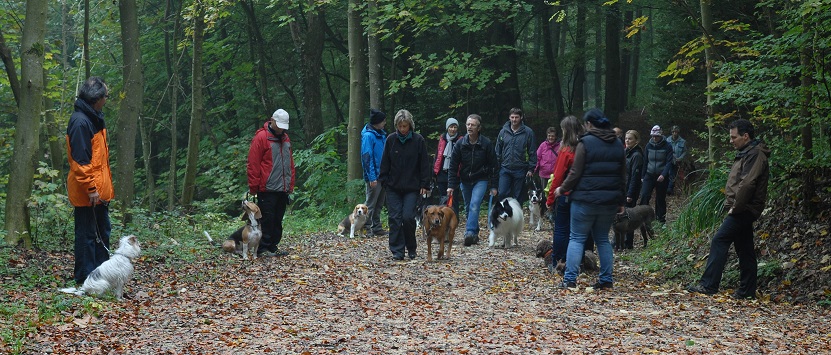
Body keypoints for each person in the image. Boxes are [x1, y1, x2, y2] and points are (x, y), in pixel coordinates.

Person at [688, 119, 769, 299]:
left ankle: (709, 285)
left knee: (719, 240)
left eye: (734, 137)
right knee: (744, 248)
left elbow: (747, 184)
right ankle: (747, 292)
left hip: (744, 208)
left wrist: (735, 207)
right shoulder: (747, 152)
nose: (731, 140)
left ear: (745, 136)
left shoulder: (755, 154)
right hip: (743, 207)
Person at [553, 108, 625, 290]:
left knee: (576, 238)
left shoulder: (585, 143)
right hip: (609, 202)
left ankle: (570, 280)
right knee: (602, 239)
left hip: (585, 200)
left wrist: (562, 189)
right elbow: (622, 175)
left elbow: (575, 172)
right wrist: (621, 201)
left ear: (589, 124)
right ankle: (606, 280)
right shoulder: (617, 144)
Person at [67, 76, 114, 285]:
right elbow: (81, 162)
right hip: (88, 193)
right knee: (87, 237)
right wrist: (93, 189)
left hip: (99, 192)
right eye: (106, 96)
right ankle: (85, 279)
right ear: (97, 98)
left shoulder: (94, 117)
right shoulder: (80, 122)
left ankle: (101, 277)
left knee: (102, 233)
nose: (107, 99)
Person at [379, 109, 431, 260]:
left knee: (408, 218)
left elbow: (424, 164)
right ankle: (397, 250)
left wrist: (424, 184)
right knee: (395, 218)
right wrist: (384, 181)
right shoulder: (390, 140)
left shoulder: (418, 140)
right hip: (393, 186)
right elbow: (385, 163)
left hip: (412, 187)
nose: (403, 129)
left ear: (410, 125)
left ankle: (411, 247)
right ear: (396, 126)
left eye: (405, 126)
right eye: (400, 126)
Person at [248, 108, 296, 257]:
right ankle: (263, 248)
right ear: (272, 121)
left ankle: (273, 246)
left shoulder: (285, 139)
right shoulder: (261, 138)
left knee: (278, 219)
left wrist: (290, 184)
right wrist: (253, 186)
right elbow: (253, 163)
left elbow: (290, 163)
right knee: (267, 219)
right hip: (267, 188)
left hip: (282, 187)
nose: (282, 129)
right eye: (279, 125)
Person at [447, 114, 499, 247]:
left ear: (479, 127)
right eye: (468, 124)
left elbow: (494, 166)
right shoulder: (460, 143)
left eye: (473, 125)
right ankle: (474, 233)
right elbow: (453, 166)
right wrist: (451, 185)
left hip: (480, 179)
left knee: (474, 205)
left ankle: (469, 233)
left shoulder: (486, 143)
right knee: (468, 206)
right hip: (465, 180)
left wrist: (494, 186)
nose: (470, 127)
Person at [545, 116, 588, 272]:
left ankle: (559, 261)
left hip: (566, 195)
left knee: (562, 230)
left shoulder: (566, 151)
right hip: (584, 196)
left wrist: (550, 200)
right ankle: (579, 263)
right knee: (578, 232)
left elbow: (556, 178)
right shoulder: (586, 148)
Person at [495, 107, 536, 201]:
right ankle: (505, 213)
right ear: (509, 117)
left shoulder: (528, 132)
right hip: (505, 168)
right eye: (512, 117)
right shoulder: (503, 132)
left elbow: (532, 151)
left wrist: (531, 168)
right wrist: (496, 166)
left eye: (516, 117)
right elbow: (498, 150)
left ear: (521, 117)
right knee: (502, 193)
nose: (514, 120)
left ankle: (517, 215)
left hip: (521, 168)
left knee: (518, 196)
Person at [361, 108, 389, 236]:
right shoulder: (368, 136)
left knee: (379, 203)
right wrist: (372, 178)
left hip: (383, 175)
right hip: (374, 177)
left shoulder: (381, 134)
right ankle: (366, 227)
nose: (385, 123)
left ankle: (376, 226)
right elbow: (367, 158)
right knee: (370, 204)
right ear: (377, 122)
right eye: (383, 121)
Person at [639, 125, 673, 223]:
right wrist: (643, 175)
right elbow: (645, 161)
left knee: (660, 198)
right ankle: (643, 217)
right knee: (645, 195)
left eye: (656, 136)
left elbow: (669, 162)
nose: (654, 138)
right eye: (653, 136)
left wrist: (663, 174)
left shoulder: (667, 145)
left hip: (661, 175)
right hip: (649, 174)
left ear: (661, 136)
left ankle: (661, 219)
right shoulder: (648, 145)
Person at [433, 117, 462, 215]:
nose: (453, 129)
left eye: (455, 127)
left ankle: (454, 218)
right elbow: (438, 156)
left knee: (453, 198)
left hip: (455, 174)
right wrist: (435, 172)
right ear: (447, 128)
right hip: (442, 172)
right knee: (443, 197)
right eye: (451, 127)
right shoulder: (442, 139)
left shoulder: (460, 140)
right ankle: (442, 218)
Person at [622, 130, 644, 249]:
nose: (627, 141)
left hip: (630, 190)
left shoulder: (637, 155)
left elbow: (635, 177)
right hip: (623, 188)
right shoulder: (626, 153)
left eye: (630, 139)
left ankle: (628, 242)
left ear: (636, 140)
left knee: (628, 216)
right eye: (626, 138)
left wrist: (630, 194)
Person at [534, 127, 560, 198]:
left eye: (552, 136)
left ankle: (553, 208)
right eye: (549, 136)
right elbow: (537, 158)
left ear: (556, 137)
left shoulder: (560, 146)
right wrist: (534, 169)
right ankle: (545, 207)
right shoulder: (543, 145)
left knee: (554, 193)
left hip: (555, 175)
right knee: (544, 193)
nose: (550, 137)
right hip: (544, 174)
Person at [666, 125, 687, 195]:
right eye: (674, 132)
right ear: (672, 132)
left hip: (678, 162)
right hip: (669, 161)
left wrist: (680, 158)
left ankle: (672, 189)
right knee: (670, 174)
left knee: (676, 175)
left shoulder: (682, 141)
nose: (675, 133)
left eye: (676, 132)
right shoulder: (667, 140)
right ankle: (669, 189)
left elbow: (685, 151)